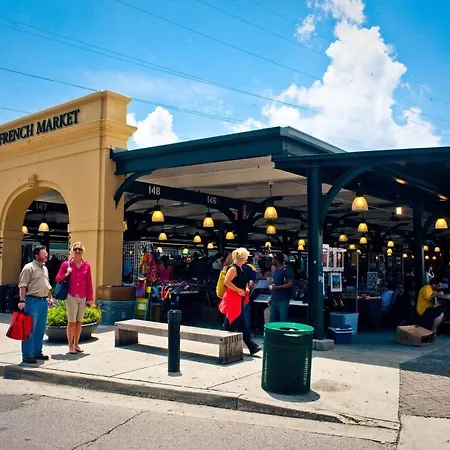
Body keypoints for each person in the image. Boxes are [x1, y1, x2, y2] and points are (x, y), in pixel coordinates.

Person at [18, 245, 53, 364]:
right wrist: (22, 300)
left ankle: (37, 352)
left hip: (43, 302)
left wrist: (50, 298)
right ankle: (27, 355)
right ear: (37, 255)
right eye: (44, 253)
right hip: (32, 301)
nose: (46, 255)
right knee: (29, 329)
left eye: (46, 253)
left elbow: (47, 285)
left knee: (40, 329)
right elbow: (22, 285)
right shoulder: (29, 268)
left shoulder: (45, 268)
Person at [56, 242, 93, 354]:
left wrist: (90, 298)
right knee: (71, 322)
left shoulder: (86, 266)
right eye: (75, 249)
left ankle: (76, 344)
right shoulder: (66, 264)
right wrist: (67, 274)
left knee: (79, 322)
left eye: (79, 249)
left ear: (82, 251)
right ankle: (70, 345)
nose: (77, 251)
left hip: (82, 296)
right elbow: (58, 279)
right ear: (72, 251)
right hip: (71, 295)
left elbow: (89, 283)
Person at [222, 248, 261, 355]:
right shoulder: (233, 268)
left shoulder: (241, 268)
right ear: (242, 257)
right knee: (239, 321)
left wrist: (246, 288)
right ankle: (252, 346)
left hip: (238, 298)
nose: (247, 258)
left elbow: (243, 282)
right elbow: (226, 282)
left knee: (232, 322)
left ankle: (248, 346)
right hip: (233, 298)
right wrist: (238, 290)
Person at [269, 253, 294, 323]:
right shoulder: (276, 270)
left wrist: (277, 287)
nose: (272, 261)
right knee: (272, 320)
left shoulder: (286, 270)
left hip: (283, 300)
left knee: (283, 320)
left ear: (277, 260)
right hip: (274, 299)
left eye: (273, 259)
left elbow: (290, 283)